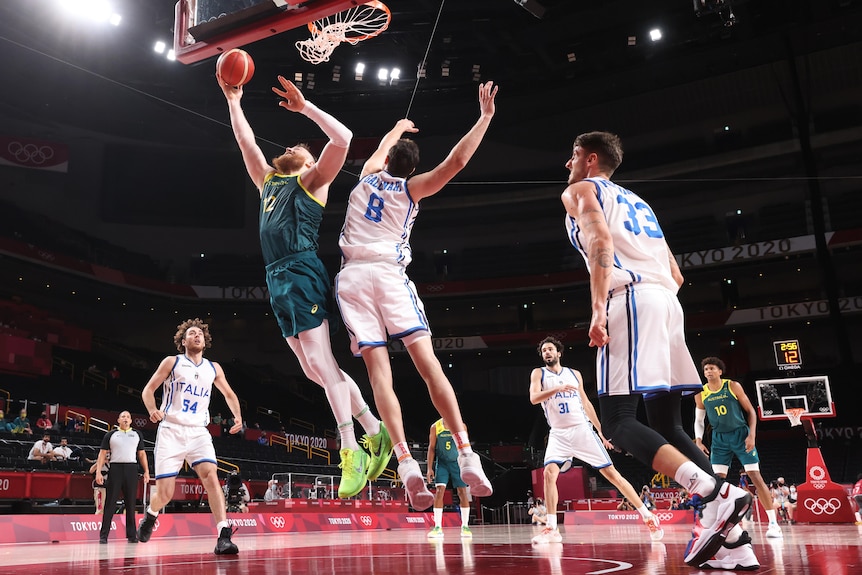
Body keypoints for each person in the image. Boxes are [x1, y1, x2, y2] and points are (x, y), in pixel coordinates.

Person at [560, 131, 756, 569]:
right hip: (669, 303)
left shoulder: (579, 189)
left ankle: (712, 492)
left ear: (590, 159)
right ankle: (736, 543)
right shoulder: (640, 203)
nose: (566, 164)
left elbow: (600, 246)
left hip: (629, 301)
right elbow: (677, 274)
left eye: (572, 155)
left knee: (617, 420)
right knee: (669, 425)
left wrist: (597, 310)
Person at [218, 72, 390, 499]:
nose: (298, 147)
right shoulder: (267, 182)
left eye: (305, 150)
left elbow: (344, 139)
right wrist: (233, 100)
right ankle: (375, 428)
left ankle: (350, 450)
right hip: (275, 277)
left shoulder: (311, 182)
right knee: (312, 370)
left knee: (323, 362)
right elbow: (246, 143)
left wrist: (306, 108)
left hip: (300, 270)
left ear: (312, 166)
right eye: (298, 146)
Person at [334, 82, 499, 510]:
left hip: (352, 278)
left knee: (379, 376)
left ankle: (406, 463)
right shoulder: (411, 189)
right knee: (428, 367)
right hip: (389, 275)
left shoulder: (367, 175)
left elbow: (383, 150)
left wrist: (396, 127)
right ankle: (466, 451)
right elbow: (457, 161)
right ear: (408, 169)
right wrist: (484, 118)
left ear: (387, 160)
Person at [529, 336, 663, 544]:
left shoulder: (574, 374)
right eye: (544, 350)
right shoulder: (539, 373)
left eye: (550, 349)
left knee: (612, 474)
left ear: (559, 353)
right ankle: (552, 528)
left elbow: (586, 404)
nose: (547, 352)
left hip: (582, 430)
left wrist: (601, 431)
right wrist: (557, 389)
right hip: (558, 433)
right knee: (549, 473)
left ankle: (648, 516)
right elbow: (534, 398)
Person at [137, 318, 243, 555]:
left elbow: (228, 393)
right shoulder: (172, 362)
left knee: (211, 476)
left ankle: (223, 534)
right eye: (192, 333)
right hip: (171, 430)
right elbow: (148, 390)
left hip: (198, 431)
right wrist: (153, 409)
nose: (197, 336)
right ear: (182, 341)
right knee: (165, 494)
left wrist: (238, 417)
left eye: (200, 334)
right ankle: (151, 516)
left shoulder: (213, 368)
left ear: (205, 341)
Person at [694, 356, 782, 538]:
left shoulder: (732, 386)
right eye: (706, 370)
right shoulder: (701, 393)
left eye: (712, 368)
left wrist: (752, 435)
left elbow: (750, 411)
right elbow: (699, 420)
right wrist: (699, 440)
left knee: (755, 476)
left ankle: (773, 524)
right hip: (719, 439)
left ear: (720, 371)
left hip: (740, 435)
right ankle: (717, 524)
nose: (708, 372)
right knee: (716, 483)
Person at [95, 411, 149, 544]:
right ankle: (104, 536)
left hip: (131, 469)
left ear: (131, 421)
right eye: (123, 417)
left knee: (130, 503)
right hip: (115, 469)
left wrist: (146, 471)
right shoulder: (111, 435)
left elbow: (142, 454)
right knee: (110, 503)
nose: (126, 419)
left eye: (128, 417)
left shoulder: (137, 434)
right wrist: (98, 472)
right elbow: (102, 454)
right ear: (118, 420)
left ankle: (132, 536)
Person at [426, 418, 473, 539]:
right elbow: (431, 448)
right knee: (439, 492)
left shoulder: (460, 425)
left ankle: (465, 526)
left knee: (462, 492)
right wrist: (429, 468)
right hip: (442, 463)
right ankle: (437, 527)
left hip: (457, 463)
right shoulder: (435, 427)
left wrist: (469, 464)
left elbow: (466, 447)